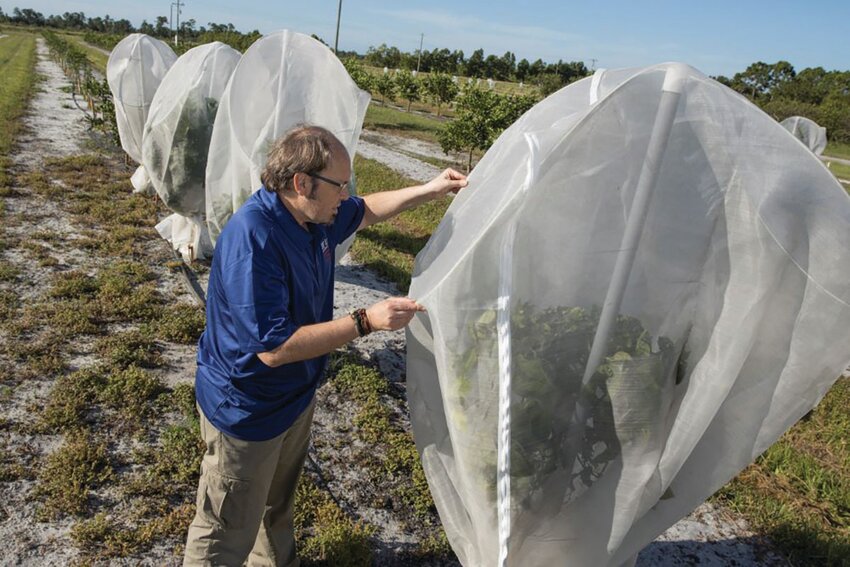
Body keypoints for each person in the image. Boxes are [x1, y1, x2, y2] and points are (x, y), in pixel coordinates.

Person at [183, 124, 468, 566]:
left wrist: (432, 189)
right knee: (226, 528)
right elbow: (274, 348)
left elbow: (368, 209)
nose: (347, 194)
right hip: (248, 410)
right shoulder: (254, 240)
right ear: (302, 183)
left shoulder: (314, 218)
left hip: (293, 398)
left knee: (276, 504)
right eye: (340, 185)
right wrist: (365, 321)